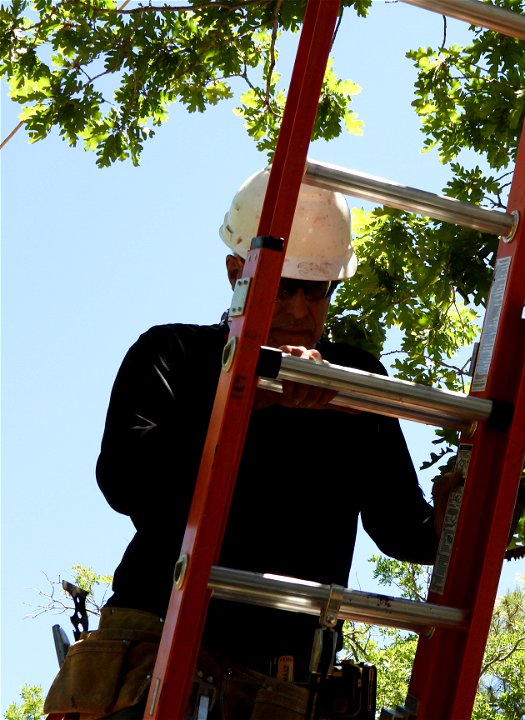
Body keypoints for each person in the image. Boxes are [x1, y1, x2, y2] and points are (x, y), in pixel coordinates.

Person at [45, 168, 454, 720]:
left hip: (284, 686)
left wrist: (460, 513)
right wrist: (247, 397)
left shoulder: (352, 380)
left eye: (318, 292)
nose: (301, 312)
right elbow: (126, 481)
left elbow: (403, 528)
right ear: (237, 271)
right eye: (284, 288)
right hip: (162, 653)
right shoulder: (175, 355)